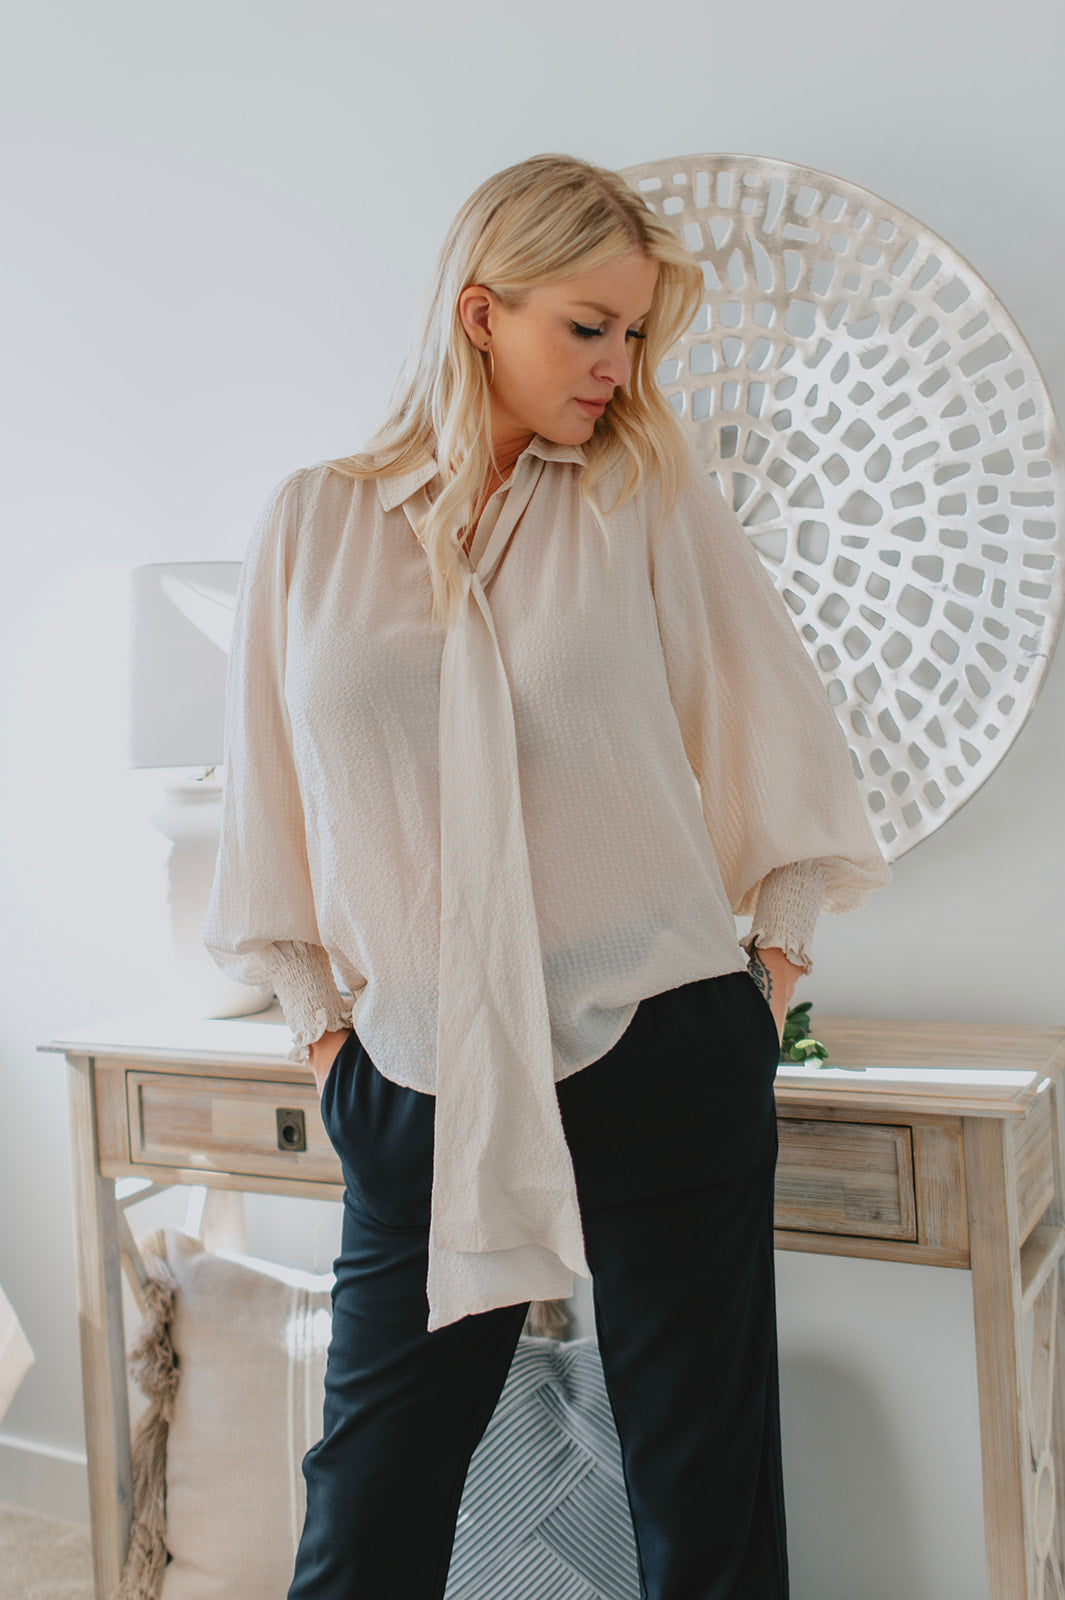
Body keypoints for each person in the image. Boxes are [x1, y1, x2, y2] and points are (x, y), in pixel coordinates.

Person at [203, 152, 890, 1600]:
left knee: (704, 1514)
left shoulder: (643, 495)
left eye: (633, 333)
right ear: (479, 313)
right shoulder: (314, 524)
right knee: (367, 1512)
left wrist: (764, 985)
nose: (617, 366)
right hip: (422, 1071)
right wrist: (327, 1044)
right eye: (588, 326)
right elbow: (266, 797)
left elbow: (781, 732)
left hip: (658, 1046)